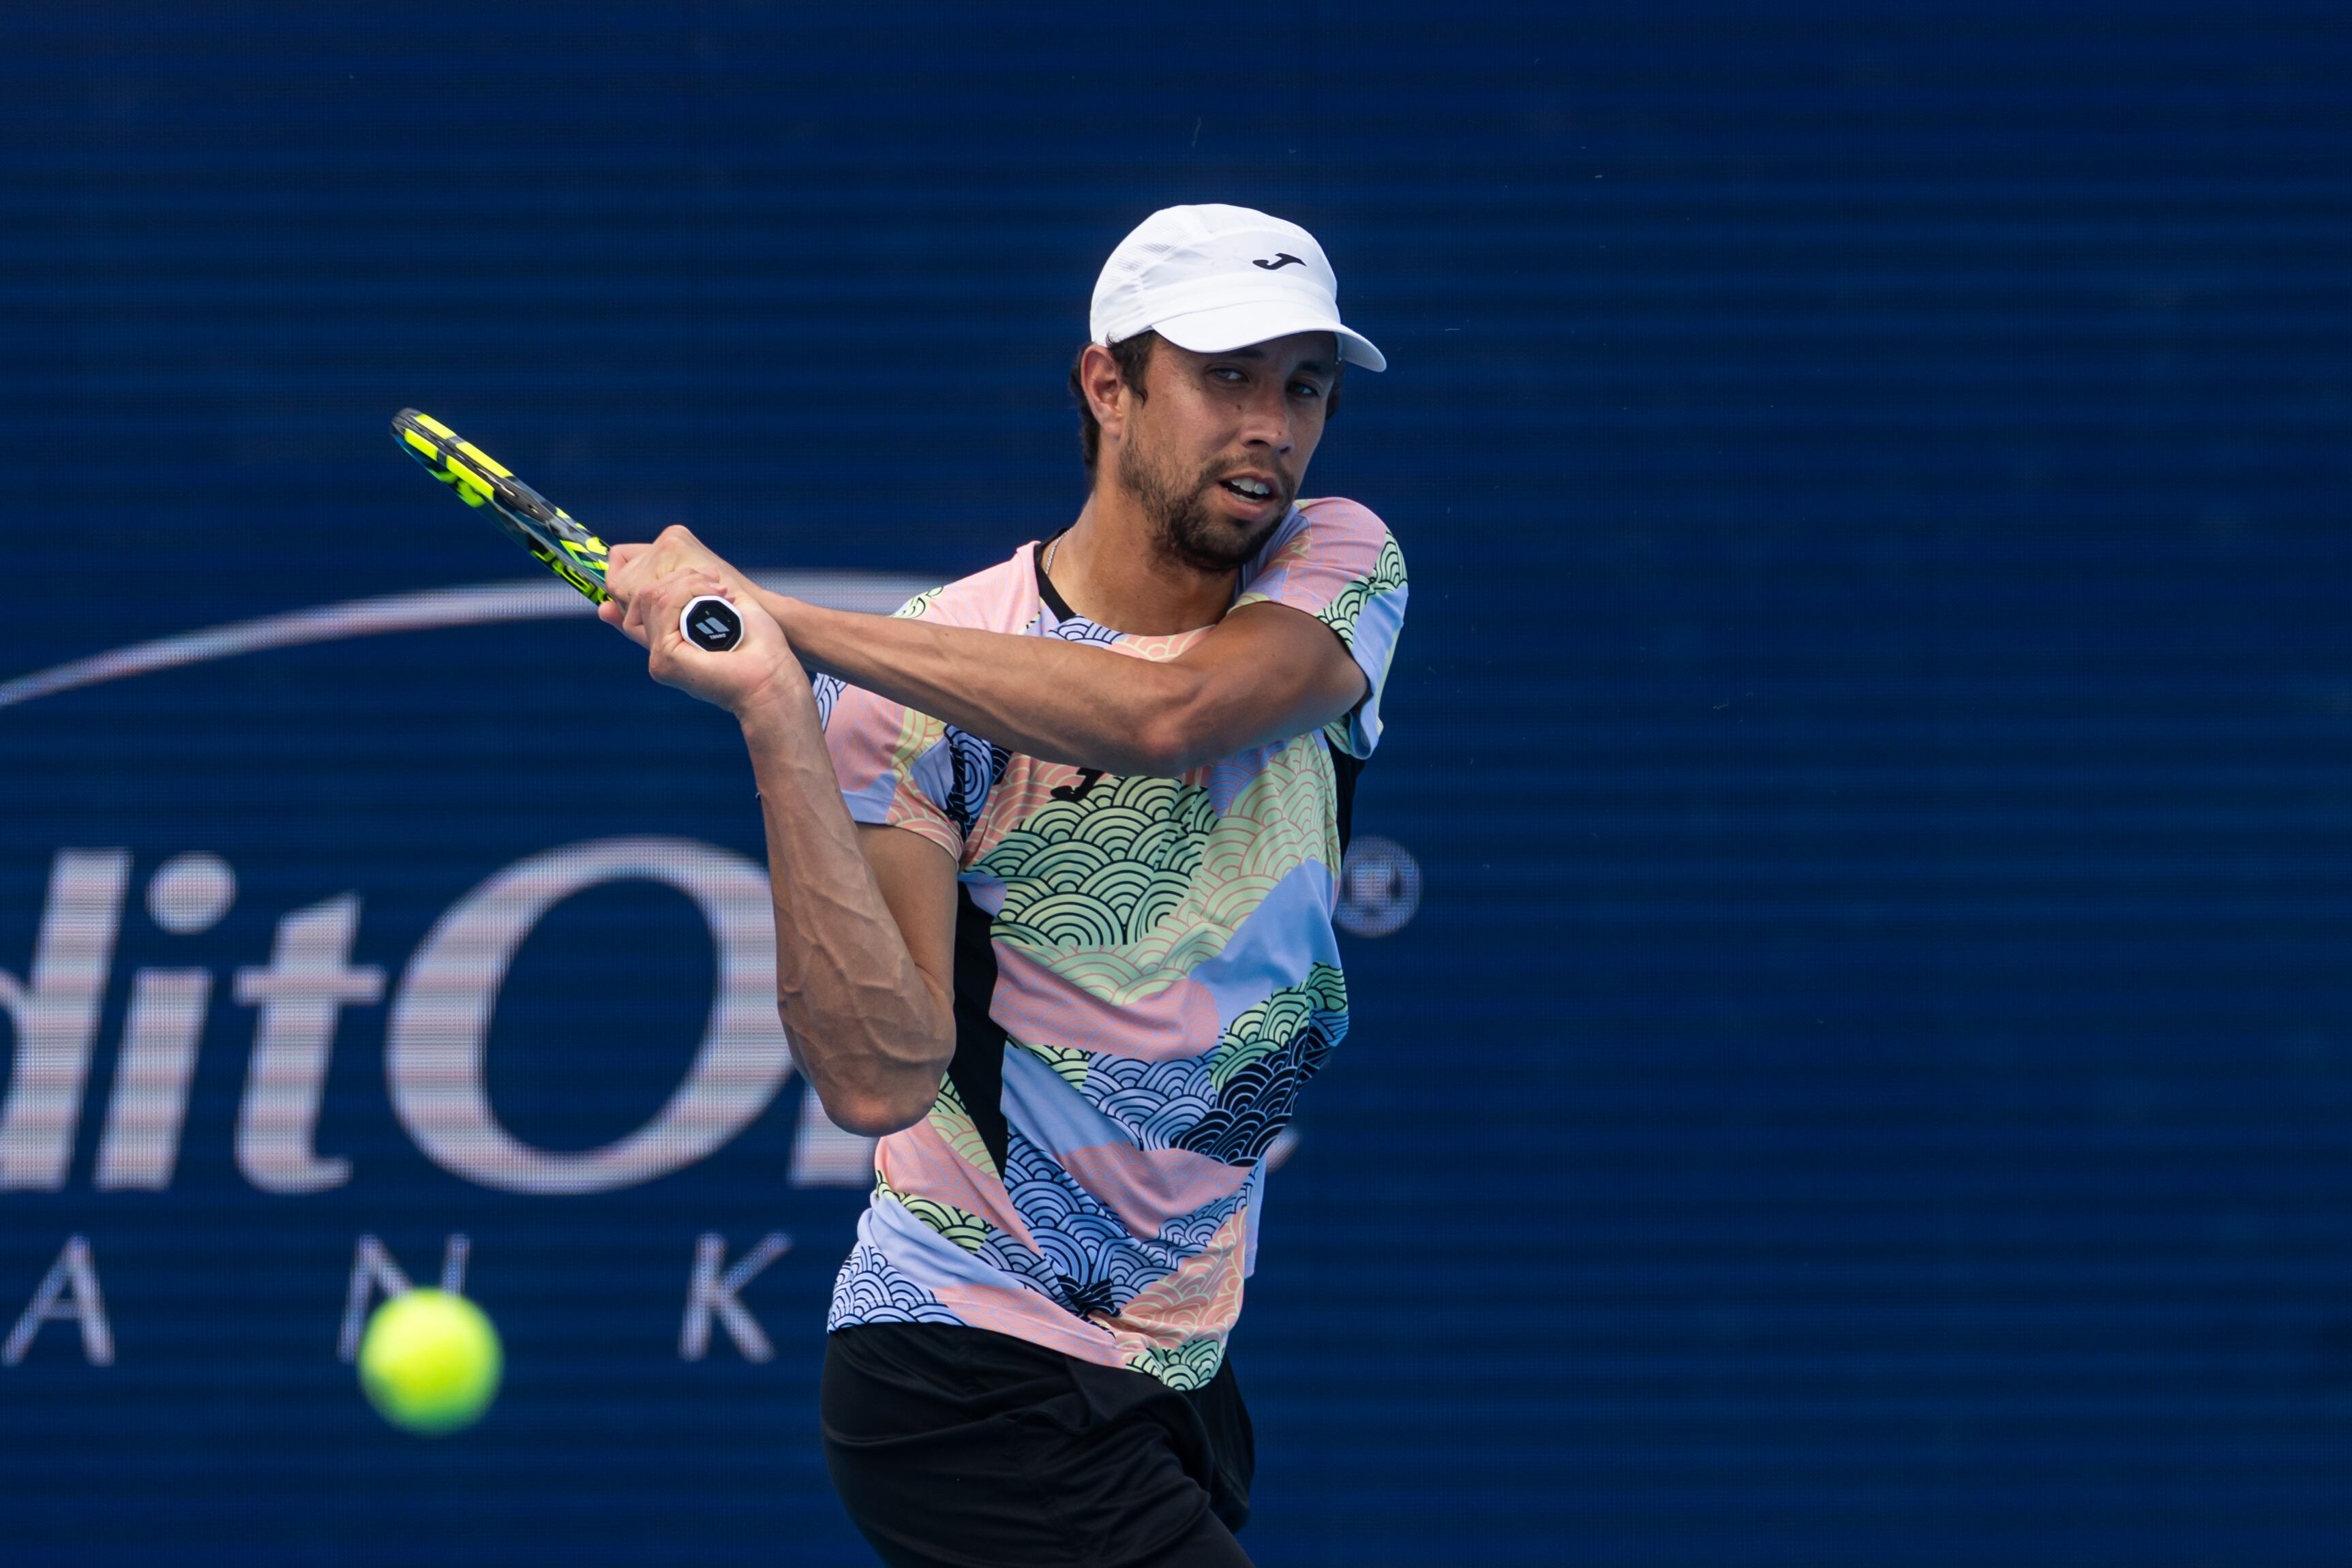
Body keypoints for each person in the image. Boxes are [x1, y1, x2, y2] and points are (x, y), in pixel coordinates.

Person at [601, 203, 1408, 1568]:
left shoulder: (1339, 565)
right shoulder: (916, 688)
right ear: (1107, 383)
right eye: (1225, 377)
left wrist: (786, 620)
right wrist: (779, 711)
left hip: (1183, 1372)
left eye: (1304, 383)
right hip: (963, 1367)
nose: (1271, 422)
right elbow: (877, 1080)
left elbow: (1170, 714)